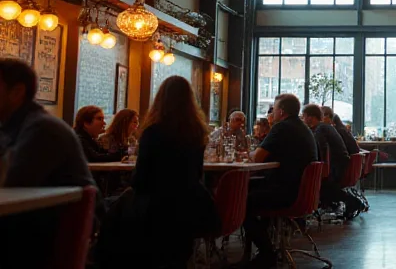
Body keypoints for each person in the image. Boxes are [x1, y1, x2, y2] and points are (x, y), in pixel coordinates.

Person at [97, 76, 219, 268]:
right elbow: (196, 174)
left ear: (160, 99)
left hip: (156, 208)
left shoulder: (153, 132)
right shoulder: (196, 133)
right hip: (189, 206)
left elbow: (141, 179)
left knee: (109, 211)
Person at [0, 59, 94, 269]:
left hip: (43, 237)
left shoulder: (42, 129)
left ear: (16, 92)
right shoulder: (12, 127)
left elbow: (11, 186)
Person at [244, 94, 318, 267]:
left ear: (282, 111)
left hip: (288, 193)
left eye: (274, 109)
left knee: (243, 202)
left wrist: (245, 154)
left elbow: (257, 158)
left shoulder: (281, 128)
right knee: (253, 191)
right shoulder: (303, 128)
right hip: (302, 192)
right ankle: (265, 248)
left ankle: (266, 253)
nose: (272, 112)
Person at [302, 104, 365, 216]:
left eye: (304, 116)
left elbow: (320, 149)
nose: (303, 119)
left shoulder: (320, 129)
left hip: (336, 166)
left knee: (318, 184)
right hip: (340, 164)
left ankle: (351, 201)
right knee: (321, 185)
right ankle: (344, 202)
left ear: (311, 117)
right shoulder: (325, 127)